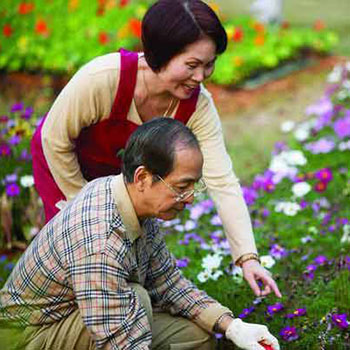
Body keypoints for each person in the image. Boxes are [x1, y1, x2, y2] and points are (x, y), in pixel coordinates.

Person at [31, 0, 281, 298]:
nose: (201, 77)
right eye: (191, 65)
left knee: (125, 264)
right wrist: (87, 211)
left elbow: (222, 180)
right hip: (65, 168)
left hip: (125, 182)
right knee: (80, 257)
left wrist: (247, 257)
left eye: (209, 64)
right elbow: (54, 140)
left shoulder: (197, 106)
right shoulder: (103, 78)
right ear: (159, 55)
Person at [1, 119, 280, 350]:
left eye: (194, 186)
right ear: (144, 177)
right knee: (138, 298)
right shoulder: (99, 239)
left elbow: (167, 282)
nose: (190, 198)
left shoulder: (134, 203)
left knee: (197, 338)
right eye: (182, 186)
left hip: (87, 316)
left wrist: (233, 327)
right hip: (29, 336)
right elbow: (116, 339)